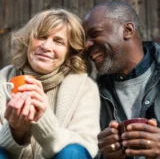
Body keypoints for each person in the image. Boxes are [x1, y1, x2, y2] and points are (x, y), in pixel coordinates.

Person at [0, 8, 100, 159]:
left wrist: (43, 119)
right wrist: (16, 131)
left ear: (70, 52)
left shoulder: (85, 87)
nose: (46, 47)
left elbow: (86, 147)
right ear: (28, 41)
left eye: (58, 41)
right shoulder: (3, 80)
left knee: (73, 151)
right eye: (41, 37)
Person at [83, 1, 160, 159]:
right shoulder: (91, 93)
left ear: (127, 30)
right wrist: (104, 155)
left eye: (95, 34)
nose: (85, 45)